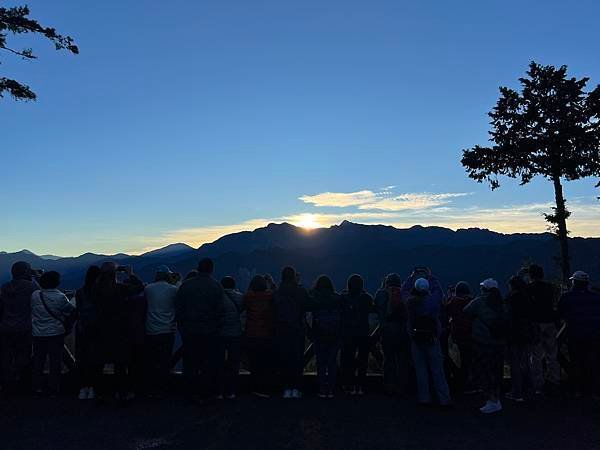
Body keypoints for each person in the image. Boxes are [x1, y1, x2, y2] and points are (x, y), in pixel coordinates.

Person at [175, 257, 225, 404]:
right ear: (211, 269)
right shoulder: (216, 286)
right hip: (210, 332)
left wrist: (182, 328)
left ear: (198, 268)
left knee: (190, 363)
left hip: (189, 331)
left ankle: (190, 392)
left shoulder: (186, 285)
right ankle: (206, 392)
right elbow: (220, 311)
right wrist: (217, 328)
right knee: (208, 363)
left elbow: (178, 308)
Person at [93, 262, 144, 402]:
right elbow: (140, 287)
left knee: (100, 363)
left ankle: (100, 394)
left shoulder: (95, 289)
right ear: (115, 273)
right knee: (120, 364)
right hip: (120, 331)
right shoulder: (121, 289)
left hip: (101, 330)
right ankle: (121, 393)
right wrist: (130, 274)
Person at [402, 269, 452, 408]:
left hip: (416, 338)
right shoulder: (433, 301)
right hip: (432, 338)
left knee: (421, 370)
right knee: (437, 370)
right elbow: (438, 290)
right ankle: (444, 399)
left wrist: (411, 276)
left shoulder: (409, 302)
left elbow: (404, 290)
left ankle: (424, 398)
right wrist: (430, 276)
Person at [464, 278, 509, 414]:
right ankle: (496, 398)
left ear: (484, 289)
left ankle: (492, 400)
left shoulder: (480, 302)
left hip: (483, 343)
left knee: (484, 371)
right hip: (499, 343)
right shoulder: (502, 303)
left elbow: (466, 311)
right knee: (496, 371)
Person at [31, 271, 75, 397]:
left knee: (38, 361)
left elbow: (41, 292)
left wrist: (37, 277)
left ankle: (36, 388)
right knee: (55, 362)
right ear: (57, 282)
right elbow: (69, 310)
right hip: (55, 333)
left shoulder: (34, 295)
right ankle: (53, 389)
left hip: (38, 333)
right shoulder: (60, 297)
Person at [558, 271, 600, 399]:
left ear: (574, 282)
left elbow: (560, 313)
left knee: (576, 361)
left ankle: (577, 390)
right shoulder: (596, 297)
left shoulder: (567, 296)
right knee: (593, 362)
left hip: (574, 334)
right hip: (594, 334)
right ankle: (594, 391)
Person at [0, 261, 39, 395]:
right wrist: (36, 277)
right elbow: (40, 297)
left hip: (5, 327)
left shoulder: (4, 287)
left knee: (6, 358)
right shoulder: (31, 287)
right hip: (24, 327)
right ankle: (23, 386)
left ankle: (6, 386)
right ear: (26, 272)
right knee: (24, 357)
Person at [273, 266, 309, 399]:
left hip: (281, 330)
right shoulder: (301, 291)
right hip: (297, 330)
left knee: (284, 360)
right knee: (298, 360)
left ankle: (286, 389)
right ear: (294, 276)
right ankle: (296, 388)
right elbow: (307, 304)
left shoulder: (277, 292)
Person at [144, 265, 178, 398]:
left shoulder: (148, 289)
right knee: (165, 361)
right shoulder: (173, 289)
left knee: (152, 361)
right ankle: (163, 389)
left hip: (151, 329)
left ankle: (150, 389)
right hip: (167, 330)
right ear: (167, 275)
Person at [526, 264, 560, 394]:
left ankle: (538, 384)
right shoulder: (549, 287)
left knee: (536, 355)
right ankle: (554, 380)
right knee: (552, 354)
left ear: (531, 275)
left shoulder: (529, 288)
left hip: (536, 324)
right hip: (550, 322)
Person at [374, 273, 410, 396]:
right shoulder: (404, 293)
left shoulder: (381, 293)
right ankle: (403, 387)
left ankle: (389, 387)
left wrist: (381, 287)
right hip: (402, 330)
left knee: (388, 359)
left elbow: (376, 305)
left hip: (387, 331)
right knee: (402, 359)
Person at [308, 275, 343, 398]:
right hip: (335, 335)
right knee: (332, 362)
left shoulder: (315, 299)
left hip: (319, 334)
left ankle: (322, 389)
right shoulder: (338, 298)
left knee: (321, 363)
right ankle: (331, 390)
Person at [340, 274, 374, 395]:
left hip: (347, 333)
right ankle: (361, 385)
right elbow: (372, 304)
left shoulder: (343, 298)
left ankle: (347, 385)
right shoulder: (366, 298)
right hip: (363, 333)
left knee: (347, 359)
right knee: (362, 360)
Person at [506, 276, 536, 402]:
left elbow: (508, 316)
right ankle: (529, 388)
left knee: (515, 363)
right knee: (526, 362)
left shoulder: (513, 298)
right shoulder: (527, 297)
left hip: (515, 334)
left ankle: (516, 392)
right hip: (527, 333)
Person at [244, 275, 274, 398]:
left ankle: (254, 387)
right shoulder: (270, 296)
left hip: (251, 333)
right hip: (266, 333)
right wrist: (271, 283)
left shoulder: (248, 297)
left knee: (254, 361)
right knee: (265, 362)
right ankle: (264, 388)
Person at [74, 265, 102, 400]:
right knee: (97, 359)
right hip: (99, 329)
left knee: (82, 359)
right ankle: (94, 388)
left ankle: (82, 388)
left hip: (82, 329)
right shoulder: (102, 291)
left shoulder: (80, 292)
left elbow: (77, 310)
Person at [445, 281, 475, 394]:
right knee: (468, 362)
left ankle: (458, 386)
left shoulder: (453, 302)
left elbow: (446, 308)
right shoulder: (473, 302)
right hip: (471, 337)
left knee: (457, 362)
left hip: (457, 337)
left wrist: (451, 296)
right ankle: (470, 385)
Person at [218, 276, 244, 399]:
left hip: (220, 333)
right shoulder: (240, 297)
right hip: (235, 333)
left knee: (218, 362)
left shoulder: (217, 297)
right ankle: (232, 391)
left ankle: (219, 390)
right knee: (234, 363)